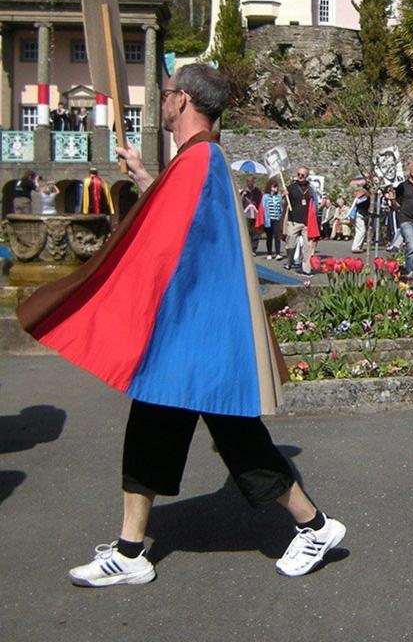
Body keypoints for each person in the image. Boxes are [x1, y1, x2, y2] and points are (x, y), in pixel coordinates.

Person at [17, 63, 343, 586]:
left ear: (183, 100)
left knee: (235, 440)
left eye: (166, 94)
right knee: (165, 431)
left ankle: (314, 526)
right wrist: (148, 179)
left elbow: (166, 242)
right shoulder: (198, 160)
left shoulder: (199, 161)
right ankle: (130, 551)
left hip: (195, 335)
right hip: (192, 334)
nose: (161, 102)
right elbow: (184, 227)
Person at [284, 166, 320, 275]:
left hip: (307, 222)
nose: (300, 176)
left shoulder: (311, 189)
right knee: (290, 244)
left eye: (302, 175)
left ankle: (306, 269)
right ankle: (290, 261)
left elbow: (315, 204)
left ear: (306, 176)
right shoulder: (290, 187)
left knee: (307, 246)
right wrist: (284, 196)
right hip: (294, 221)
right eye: (298, 174)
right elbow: (283, 204)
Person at [256, 179, 285, 260]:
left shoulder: (278, 196)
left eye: (277, 186)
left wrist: (283, 195)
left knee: (277, 236)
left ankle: (278, 253)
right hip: (269, 219)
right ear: (270, 187)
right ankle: (269, 253)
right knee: (269, 237)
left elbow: (281, 205)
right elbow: (263, 208)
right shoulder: (265, 197)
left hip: (277, 218)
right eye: (274, 186)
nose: (276, 188)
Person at [240, 176, 263, 255]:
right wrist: (243, 195)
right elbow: (239, 202)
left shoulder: (257, 191)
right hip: (246, 214)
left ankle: (254, 249)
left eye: (251, 181)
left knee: (255, 232)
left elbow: (261, 201)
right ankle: (248, 248)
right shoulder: (243, 192)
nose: (250, 183)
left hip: (256, 213)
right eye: (248, 181)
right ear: (246, 182)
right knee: (247, 231)